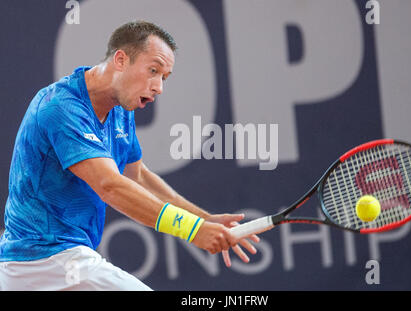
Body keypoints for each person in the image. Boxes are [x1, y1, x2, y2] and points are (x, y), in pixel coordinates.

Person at [0, 21, 258, 290]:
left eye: (164, 77)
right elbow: (110, 185)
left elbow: (137, 177)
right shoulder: (60, 107)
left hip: (57, 261)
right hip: (42, 261)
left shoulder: (121, 109)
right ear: (121, 59)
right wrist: (191, 229)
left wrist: (203, 219)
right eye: (153, 70)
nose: (159, 87)